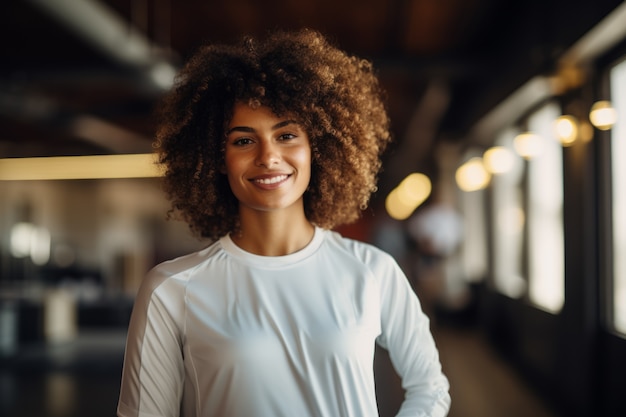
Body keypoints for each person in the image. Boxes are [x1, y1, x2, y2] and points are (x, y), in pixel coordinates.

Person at [117, 28, 450, 417]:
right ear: (216, 159)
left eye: (287, 135)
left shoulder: (372, 272)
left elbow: (429, 387)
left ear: (317, 149)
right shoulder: (171, 289)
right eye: (243, 141)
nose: (269, 157)